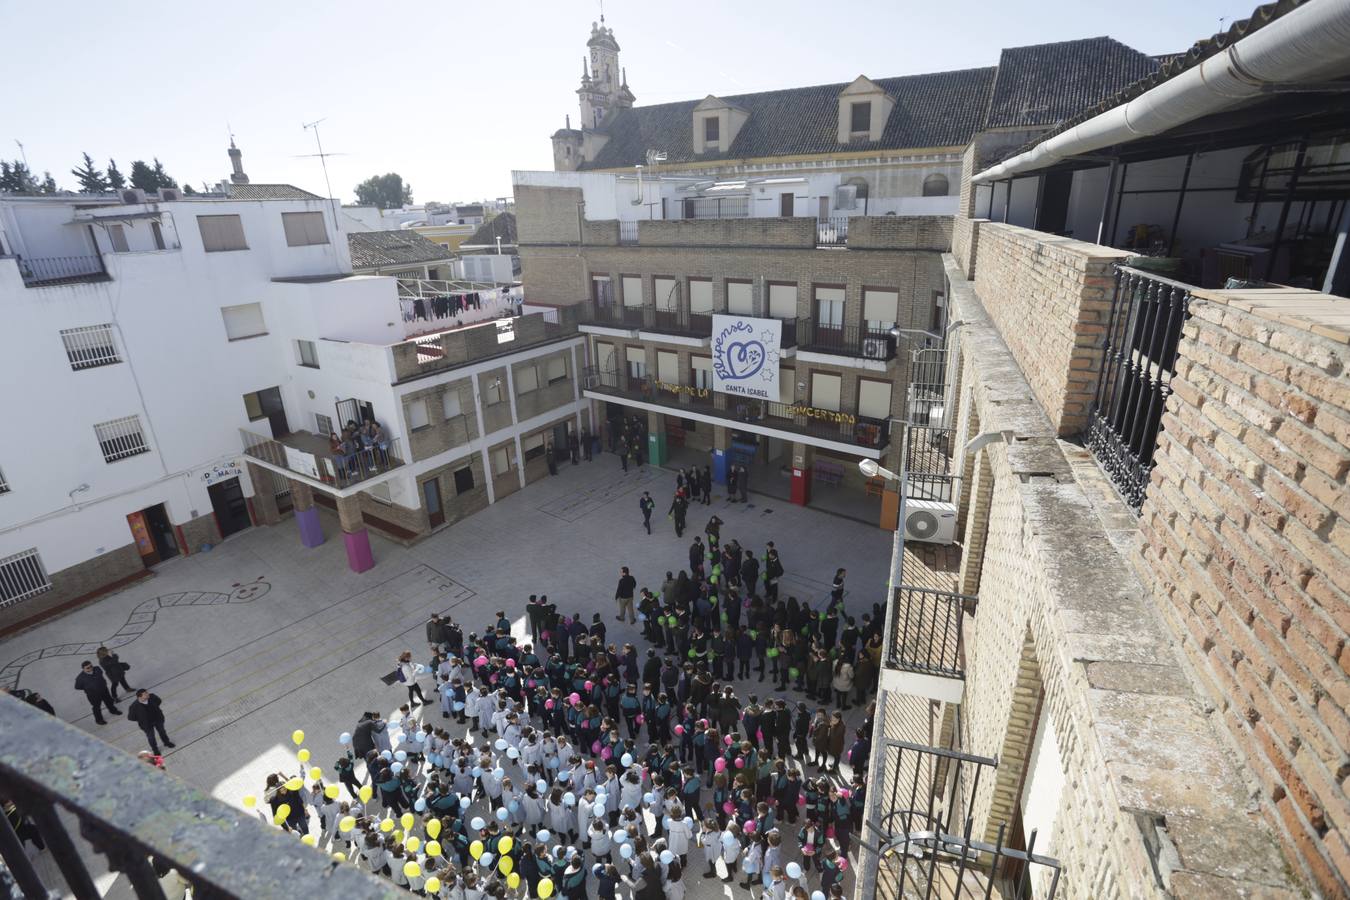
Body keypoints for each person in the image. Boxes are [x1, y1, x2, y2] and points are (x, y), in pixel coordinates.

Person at [74, 660, 120, 725]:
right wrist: (89, 688)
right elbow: (77, 687)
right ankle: (99, 720)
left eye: (91, 666)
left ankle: (113, 710)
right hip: (93, 695)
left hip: (104, 690)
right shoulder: (80, 678)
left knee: (109, 701)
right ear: (83, 669)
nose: (90, 668)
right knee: (96, 707)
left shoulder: (97, 669)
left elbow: (101, 675)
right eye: (88, 668)